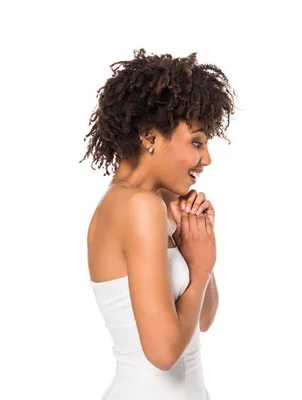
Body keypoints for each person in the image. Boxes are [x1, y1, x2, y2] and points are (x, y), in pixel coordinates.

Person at [81, 49, 235, 400]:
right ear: (150, 138)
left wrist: (195, 247)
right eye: (196, 142)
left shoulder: (158, 203)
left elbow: (203, 320)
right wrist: (201, 265)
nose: (206, 159)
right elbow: (163, 354)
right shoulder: (138, 206)